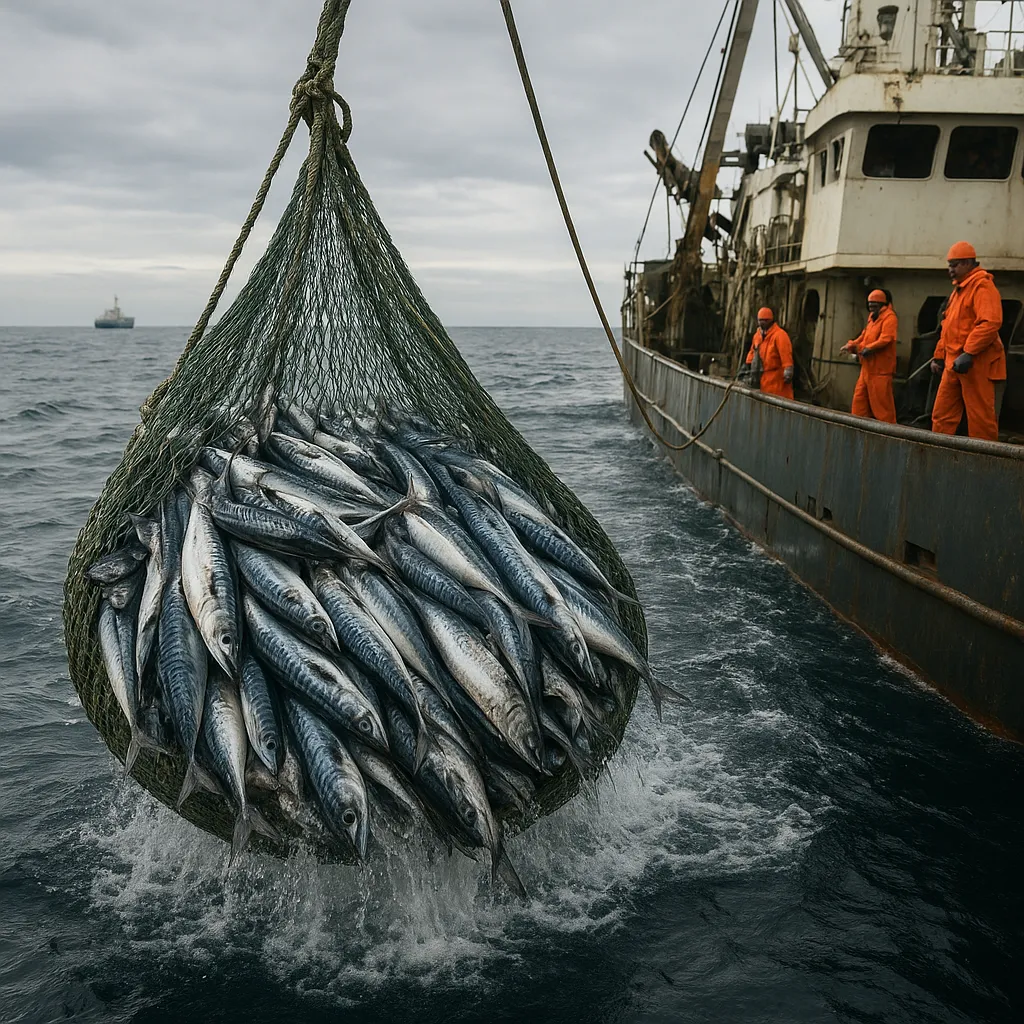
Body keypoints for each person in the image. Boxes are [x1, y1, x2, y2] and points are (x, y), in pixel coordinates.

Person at [930, 241, 1005, 441]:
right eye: (949, 265)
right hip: (953, 363)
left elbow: (990, 322)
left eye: (954, 265)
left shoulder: (982, 286)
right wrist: (939, 356)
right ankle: (939, 451)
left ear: (967, 263)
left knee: (980, 418)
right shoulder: (959, 291)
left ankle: (984, 458)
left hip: (976, 364)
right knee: (942, 415)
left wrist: (969, 352)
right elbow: (947, 326)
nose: (950, 270)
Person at [842, 289, 897, 423]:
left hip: (880, 371)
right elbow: (864, 336)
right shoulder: (872, 318)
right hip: (866, 369)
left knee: (882, 409)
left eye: (874, 305)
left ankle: (888, 432)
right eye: (870, 305)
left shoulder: (890, 318)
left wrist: (869, 348)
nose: (871, 308)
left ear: (882, 304)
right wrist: (851, 344)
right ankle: (858, 428)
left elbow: (886, 338)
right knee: (859, 404)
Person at [744, 307, 794, 399]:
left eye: (765, 320)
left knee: (778, 403)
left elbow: (786, 355)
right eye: (760, 320)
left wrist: (788, 370)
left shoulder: (780, 335)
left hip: (777, 381)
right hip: (761, 381)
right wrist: (747, 366)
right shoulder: (757, 336)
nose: (762, 323)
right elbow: (752, 352)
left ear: (771, 321)